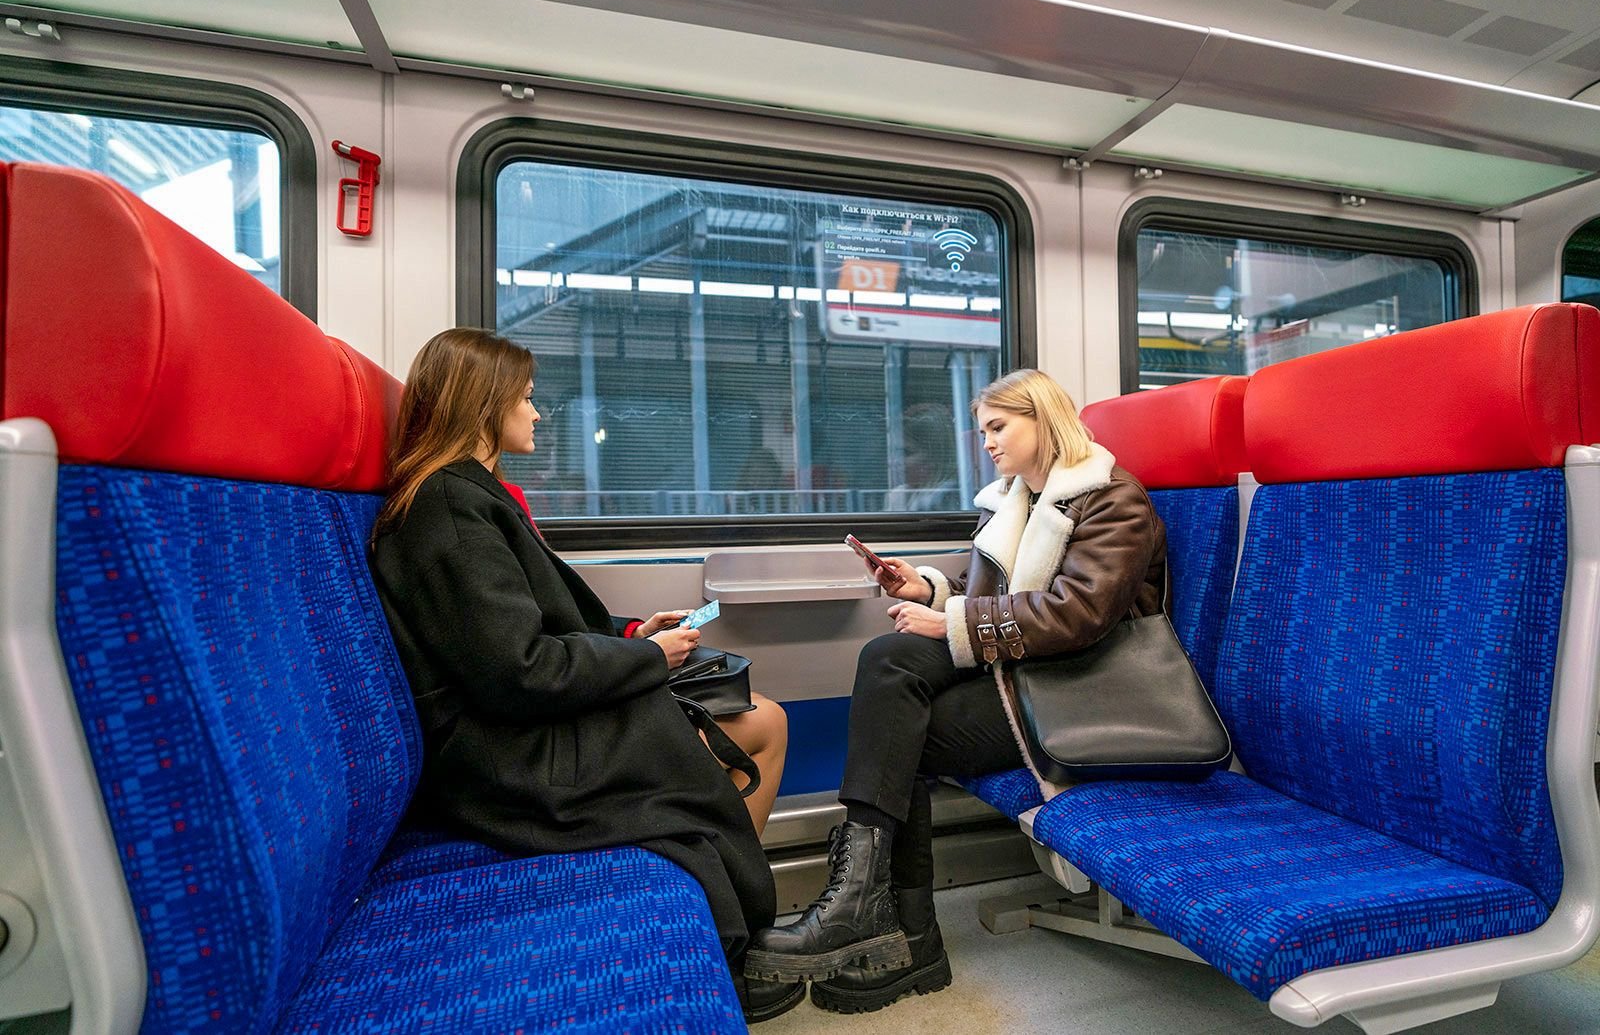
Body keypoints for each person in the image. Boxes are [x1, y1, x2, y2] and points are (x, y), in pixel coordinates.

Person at [368, 329, 801, 1022]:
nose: (537, 413)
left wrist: (633, 636)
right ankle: (731, 937)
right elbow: (520, 669)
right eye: (526, 398)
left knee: (759, 721)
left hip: (522, 726)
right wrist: (649, 660)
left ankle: (730, 918)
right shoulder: (450, 509)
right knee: (751, 729)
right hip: (508, 756)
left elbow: (529, 629)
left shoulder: (470, 497)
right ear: (484, 404)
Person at [744, 368, 1167, 1014]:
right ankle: (873, 909)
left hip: (1085, 694)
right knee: (888, 659)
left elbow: (1078, 614)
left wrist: (953, 622)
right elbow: (999, 597)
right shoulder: (1013, 501)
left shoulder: (1115, 503)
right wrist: (926, 589)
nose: (987, 443)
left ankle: (901, 932)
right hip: (1029, 674)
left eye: (998, 427)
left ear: (1043, 419)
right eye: (983, 431)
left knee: (899, 734)